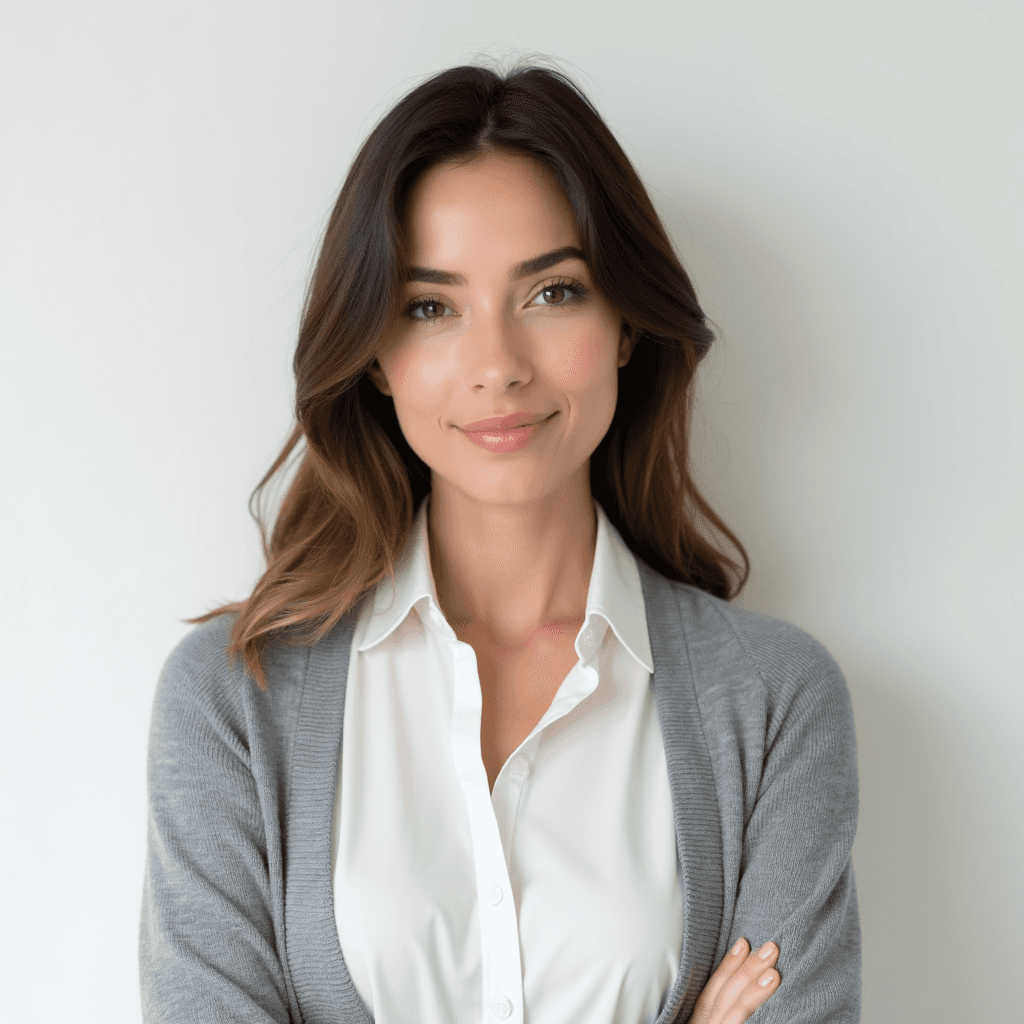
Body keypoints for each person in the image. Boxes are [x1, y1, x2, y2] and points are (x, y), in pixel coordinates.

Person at [140, 63, 860, 1024]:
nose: (496, 368)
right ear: (376, 357)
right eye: (431, 307)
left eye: (553, 293)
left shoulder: (773, 707)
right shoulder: (234, 703)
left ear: (626, 328)